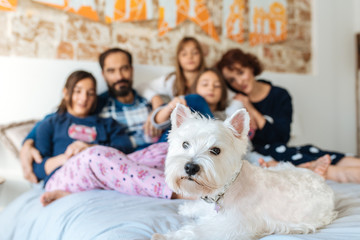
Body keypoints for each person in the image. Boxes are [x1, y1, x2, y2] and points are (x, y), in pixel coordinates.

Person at [34, 70, 183, 206]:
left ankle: (194, 180)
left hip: (103, 170)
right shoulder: (50, 124)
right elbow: (37, 170)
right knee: (94, 156)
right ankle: (177, 192)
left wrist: (89, 147)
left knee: (161, 150)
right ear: (66, 93)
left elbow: (125, 149)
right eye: (78, 91)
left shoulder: (106, 123)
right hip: (61, 177)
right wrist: (68, 157)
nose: (83, 98)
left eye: (90, 93)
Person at [216, 48, 360, 183]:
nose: (239, 82)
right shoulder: (236, 105)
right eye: (232, 80)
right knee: (302, 158)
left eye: (241, 73)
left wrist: (251, 109)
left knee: (312, 150)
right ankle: (339, 172)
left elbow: (281, 137)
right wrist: (245, 105)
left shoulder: (280, 95)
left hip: (283, 148)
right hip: (264, 153)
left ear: (251, 68)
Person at [20, 48, 161, 184]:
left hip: (143, 161)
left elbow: (125, 146)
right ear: (103, 74)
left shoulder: (148, 99)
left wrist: (158, 104)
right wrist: (27, 142)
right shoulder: (98, 104)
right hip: (108, 171)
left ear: (131, 70)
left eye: (124, 68)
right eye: (111, 71)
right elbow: (56, 120)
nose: (119, 76)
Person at [137, 36, 206, 109]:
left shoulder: (210, 76)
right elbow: (141, 87)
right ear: (178, 58)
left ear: (201, 55)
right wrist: (154, 97)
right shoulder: (171, 80)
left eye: (195, 53)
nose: (190, 57)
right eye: (184, 54)